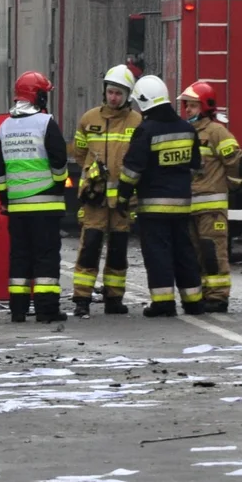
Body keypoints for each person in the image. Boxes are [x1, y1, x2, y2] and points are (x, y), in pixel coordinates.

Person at [117, 75, 205, 318]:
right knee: (184, 252)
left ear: (144, 101)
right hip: (182, 204)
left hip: (154, 207)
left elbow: (132, 170)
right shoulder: (188, 129)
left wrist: (123, 197)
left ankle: (164, 303)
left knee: (158, 254)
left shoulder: (146, 130)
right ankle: (194, 302)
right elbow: (196, 163)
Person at [0, 71, 69, 324]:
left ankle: (18, 309)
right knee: (46, 256)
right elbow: (59, 160)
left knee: (20, 257)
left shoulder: (4, 127)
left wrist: (4, 197)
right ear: (38, 96)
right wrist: (58, 184)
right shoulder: (45, 123)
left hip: (17, 207)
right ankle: (47, 310)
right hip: (45, 204)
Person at [70, 64, 142, 318]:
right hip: (95, 200)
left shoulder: (137, 122)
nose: (114, 98)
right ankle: (81, 298)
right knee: (89, 247)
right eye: (111, 92)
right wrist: (92, 173)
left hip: (123, 202)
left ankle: (114, 298)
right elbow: (79, 153)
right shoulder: (89, 120)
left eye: (119, 94)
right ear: (105, 92)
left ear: (127, 96)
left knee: (118, 251)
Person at [179, 81, 242, 313]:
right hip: (191, 207)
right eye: (187, 105)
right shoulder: (187, 132)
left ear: (205, 107)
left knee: (213, 252)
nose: (188, 110)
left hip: (211, 207)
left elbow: (236, 161)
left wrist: (232, 186)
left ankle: (217, 297)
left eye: (193, 106)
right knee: (196, 254)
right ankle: (201, 295)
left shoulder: (217, 132)